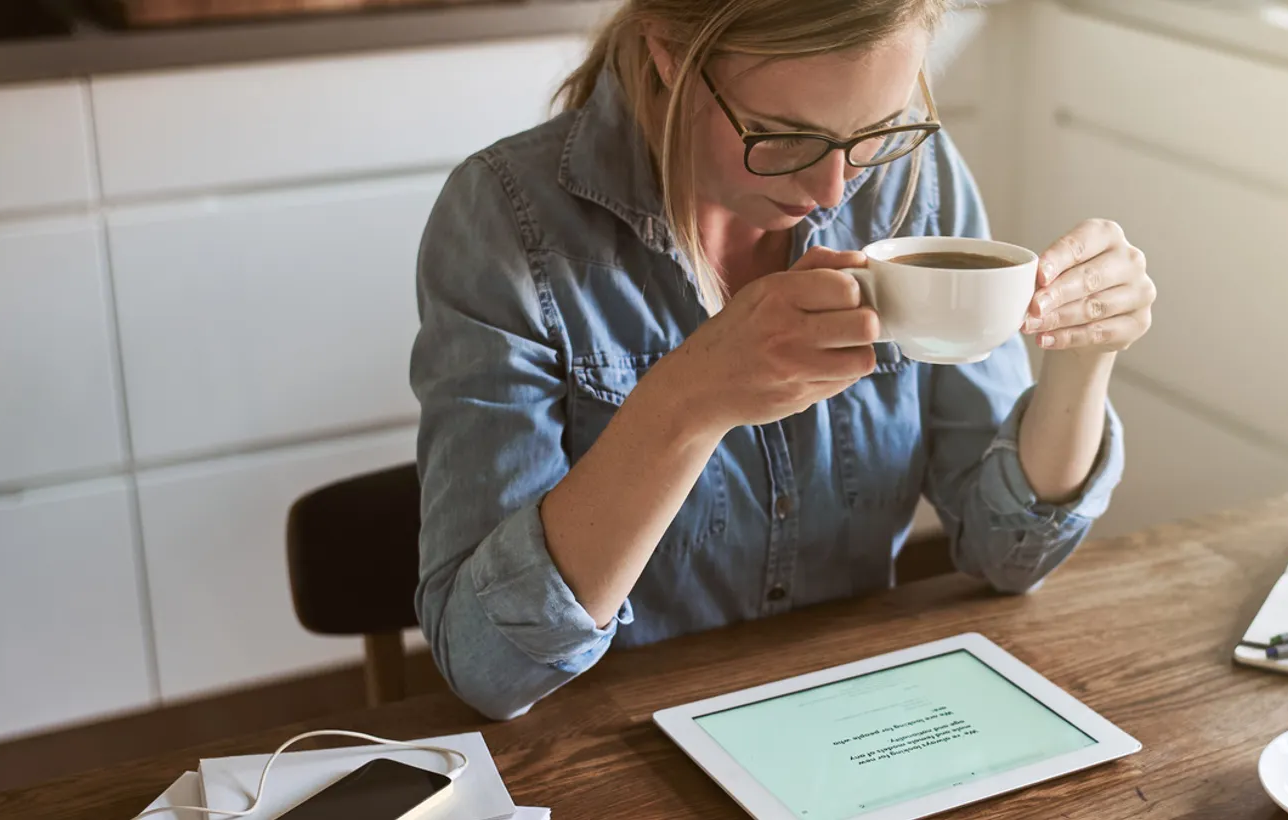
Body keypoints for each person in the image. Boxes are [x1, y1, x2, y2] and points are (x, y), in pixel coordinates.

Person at [409, 0, 1158, 720]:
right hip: (611, 746)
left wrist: (1083, 359)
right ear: (669, 51)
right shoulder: (508, 220)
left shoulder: (907, 178)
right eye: (784, 137)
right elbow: (488, 670)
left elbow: (1008, 553)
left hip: (859, 715)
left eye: (876, 129)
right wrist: (688, 402)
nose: (833, 187)